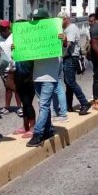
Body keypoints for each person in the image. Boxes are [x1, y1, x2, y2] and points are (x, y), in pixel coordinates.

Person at [26, 8, 66, 147]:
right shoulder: (32, 35)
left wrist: (63, 39)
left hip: (49, 75)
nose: (35, 22)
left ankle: (38, 134)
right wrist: (16, 48)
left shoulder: (55, 33)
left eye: (38, 19)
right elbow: (22, 54)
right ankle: (48, 129)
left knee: (43, 105)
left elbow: (62, 47)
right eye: (34, 19)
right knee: (43, 105)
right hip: (37, 75)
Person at [58, 12, 91, 115]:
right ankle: (68, 106)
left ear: (65, 19)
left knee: (71, 82)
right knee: (68, 83)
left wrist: (64, 42)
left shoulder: (71, 29)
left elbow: (68, 45)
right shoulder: (68, 29)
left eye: (60, 20)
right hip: (69, 58)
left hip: (71, 58)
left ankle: (84, 103)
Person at [0, 20, 22, 116]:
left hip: (14, 67)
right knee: (8, 88)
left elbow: (22, 49)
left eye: (4, 29)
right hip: (4, 68)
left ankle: (19, 107)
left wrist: (17, 47)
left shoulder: (14, 38)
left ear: (8, 28)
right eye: (1, 28)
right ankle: (7, 107)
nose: (2, 31)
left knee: (16, 88)